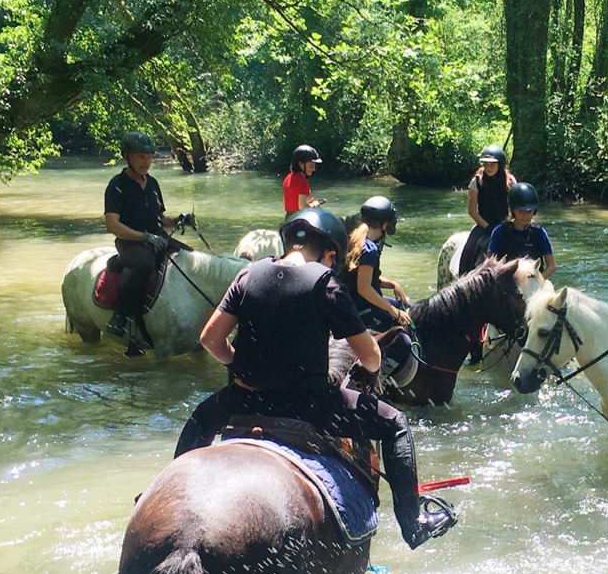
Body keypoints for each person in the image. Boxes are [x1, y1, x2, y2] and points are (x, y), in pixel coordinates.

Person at [173, 207, 456, 549]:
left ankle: (173, 500)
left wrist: (240, 370)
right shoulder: (325, 283)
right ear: (330, 253)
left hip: (244, 399)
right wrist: (368, 376)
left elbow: (210, 340)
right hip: (309, 406)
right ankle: (414, 524)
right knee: (394, 422)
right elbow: (370, 356)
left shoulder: (248, 274)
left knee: (200, 419)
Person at [103, 131, 180, 336]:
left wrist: (180, 220)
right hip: (130, 242)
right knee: (144, 264)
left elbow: (162, 220)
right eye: (140, 157)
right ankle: (121, 315)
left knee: (191, 257)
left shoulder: (153, 183)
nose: (146, 162)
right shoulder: (117, 186)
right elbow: (112, 225)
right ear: (127, 156)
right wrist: (144, 237)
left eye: (148, 157)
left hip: (158, 238)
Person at [344, 196, 413, 377]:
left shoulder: (357, 239)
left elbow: (369, 279)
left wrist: (393, 285)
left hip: (354, 301)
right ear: (384, 226)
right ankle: (376, 379)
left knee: (406, 309)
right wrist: (392, 311)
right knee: (403, 344)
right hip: (360, 308)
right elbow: (364, 288)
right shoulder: (370, 249)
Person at [457, 145, 515, 275]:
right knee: (469, 249)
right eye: (486, 164)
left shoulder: (510, 182)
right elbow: (472, 211)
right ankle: (462, 276)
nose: (488, 168)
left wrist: (509, 222)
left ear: (500, 165)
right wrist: (488, 227)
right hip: (484, 225)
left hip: (504, 224)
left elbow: (515, 208)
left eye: (492, 165)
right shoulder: (476, 182)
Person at [486, 182, 557, 279]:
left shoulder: (539, 233)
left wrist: (538, 281)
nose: (525, 216)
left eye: (529, 212)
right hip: (507, 282)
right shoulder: (500, 231)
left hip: (533, 280)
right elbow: (490, 264)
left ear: (534, 211)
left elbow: (551, 266)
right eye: (520, 212)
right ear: (513, 210)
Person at [282, 144, 323, 214]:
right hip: (299, 219)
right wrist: (314, 205)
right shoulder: (302, 181)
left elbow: (285, 203)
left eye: (314, 166)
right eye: (311, 166)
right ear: (301, 164)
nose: (313, 169)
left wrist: (307, 204)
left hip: (288, 218)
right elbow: (302, 207)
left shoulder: (288, 177)